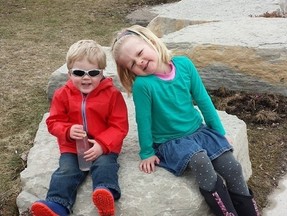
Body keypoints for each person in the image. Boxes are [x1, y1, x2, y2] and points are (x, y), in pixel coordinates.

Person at [111, 25, 259, 216]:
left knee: (232, 167)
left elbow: (204, 101)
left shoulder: (184, 65)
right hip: (171, 141)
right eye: (132, 64)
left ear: (152, 42)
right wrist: (147, 152)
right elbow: (143, 121)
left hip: (199, 131)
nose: (139, 61)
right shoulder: (143, 85)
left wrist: (220, 133)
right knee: (201, 161)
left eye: (140, 52)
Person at [30, 39, 129, 216]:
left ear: (102, 74)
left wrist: (102, 145)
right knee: (66, 171)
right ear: (69, 73)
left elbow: (119, 125)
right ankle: (57, 205)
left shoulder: (112, 95)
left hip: (103, 146)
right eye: (78, 72)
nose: (86, 77)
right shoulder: (62, 94)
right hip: (72, 147)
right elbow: (53, 122)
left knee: (105, 165)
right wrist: (67, 131)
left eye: (93, 72)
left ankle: (105, 193)